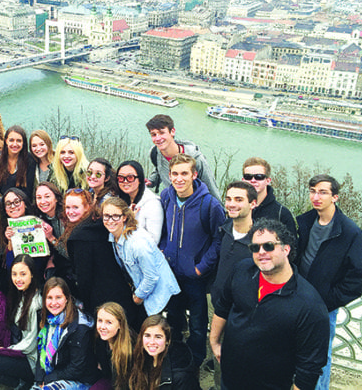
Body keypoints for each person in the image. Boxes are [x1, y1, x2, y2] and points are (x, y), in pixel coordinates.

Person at [210, 219, 330, 390]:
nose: (261, 252)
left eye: (268, 246)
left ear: (286, 249)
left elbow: (309, 370)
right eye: (255, 247)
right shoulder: (242, 271)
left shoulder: (310, 305)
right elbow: (223, 306)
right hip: (229, 381)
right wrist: (214, 342)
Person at [296, 174, 362, 390]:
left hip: (323, 306)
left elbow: (357, 277)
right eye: (312, 191)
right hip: (297, 298)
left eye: (322, 192)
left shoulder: (349, 232)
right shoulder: (306, 221)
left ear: (335, 197)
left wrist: (328, 300)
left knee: (320, 358)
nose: (316, 196)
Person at [159, 153, 225, 369]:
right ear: (169, 175)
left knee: (198, 324)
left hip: (195, 275)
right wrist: (162, 250)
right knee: (173, 318)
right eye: (175, 174)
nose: (179, 179)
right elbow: (163, 229)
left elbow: (218, 239)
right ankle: (175, 357)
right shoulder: (166, 196)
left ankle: (195, 362)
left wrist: (200, 267)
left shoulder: (210, 205)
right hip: (171, 272)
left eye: (184, 174)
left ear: (194, 175)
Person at [102, 197, 180, 326]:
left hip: (160, 297)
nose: (110, 221)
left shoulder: (137, 244)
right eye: (106, 216)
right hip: (145, 292)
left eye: (115, 216)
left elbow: (152, 276)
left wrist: (138, 297)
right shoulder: (114, 236)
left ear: (124, 217)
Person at [63, 189, 134, 320]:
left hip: (101, 301)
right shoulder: (101, 226)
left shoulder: (80, 236)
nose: (70, 211)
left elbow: (84, 277)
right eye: (67, 207)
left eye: (75, 207)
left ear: (87, 207)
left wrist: (85, 302)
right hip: (121, 293)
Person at [0, 254, 42, 390]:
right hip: (18, 346)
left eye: (23, 274)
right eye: (14, 274)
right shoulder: (19, 293)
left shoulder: (36, 304)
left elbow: (30, 344)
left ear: (32, 274)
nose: (18, 279)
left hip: (30, 358)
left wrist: (7, 351)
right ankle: (17, 381)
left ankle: (22, 384)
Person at [33, 277, 101, 390]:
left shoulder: (79, 326)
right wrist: (40, 378)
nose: (54, 303)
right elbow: (42, 353)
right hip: (55, 375)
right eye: (49, 297)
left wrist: (49, 379)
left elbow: (77, 368)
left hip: (80, 380)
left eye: (58, 297)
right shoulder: (48, 321)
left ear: (67, 299)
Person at [146, 114, 221, 202]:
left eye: (162, 133)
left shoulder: (196, 158)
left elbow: (211, 188)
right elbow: (160, 168)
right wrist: (152, 181)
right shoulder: (155, 153)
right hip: (174, 206)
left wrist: (220, 211)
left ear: (172, 131)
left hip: (195, 208)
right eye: (153, 134)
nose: (158, 138)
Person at [211, 180, 258, 303]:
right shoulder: (224, 229)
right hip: (218, 303)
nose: (231, 204)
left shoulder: (259, 241)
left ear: (253, 204)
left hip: (242, 310)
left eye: (239, 200)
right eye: (228, 199)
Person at [129, 315, 200, 390]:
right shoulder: (138, 359)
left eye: (158, 337)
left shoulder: (180, 375)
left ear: (167, 340)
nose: (152, 342)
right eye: (147, 336)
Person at [241, 157, 296, 235]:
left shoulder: (281, 214)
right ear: (243, 180)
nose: (253, 180)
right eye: (248, 177)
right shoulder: (237, 209)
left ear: (268, 181)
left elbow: (292, 245)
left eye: (259, 177)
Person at [115, 160, 163, 245]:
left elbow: (153, 241)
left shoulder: (152, 204)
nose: (125, 181)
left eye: (130, 177)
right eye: (121, 178)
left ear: (140, 179)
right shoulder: (120, 199)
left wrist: (131, 223)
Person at [35, 182, 72, 284]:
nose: (43, 201)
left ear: (56, 198)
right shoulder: (40, 218)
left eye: (47, 196)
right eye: (39, 197)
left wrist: (51, 238)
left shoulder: (66, 218)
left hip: (71, 266)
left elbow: (69, 254)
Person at [93, 302, 135, 390]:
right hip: (110, 380)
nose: (102, 327)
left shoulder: (129, 349)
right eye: (100, 321)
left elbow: (126, 385)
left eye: (109, 322)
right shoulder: (101, 339)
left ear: (120, 324)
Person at [0, 125, 37, 201]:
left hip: (21, 203)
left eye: (19, 141)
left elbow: (28, 191)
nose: (15, 144)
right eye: (11, 140)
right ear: (6, 141)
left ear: (23, 143)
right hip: (1, 202)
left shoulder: (30, 160)